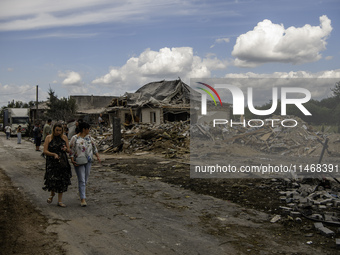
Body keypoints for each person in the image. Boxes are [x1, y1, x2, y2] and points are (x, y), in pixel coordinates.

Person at [70, 122, 101, 207]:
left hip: (88, 161)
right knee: (82, 179)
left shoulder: (89, 138)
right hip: (79, 161)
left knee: (85, 179)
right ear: (84, 129)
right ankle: (83, 199)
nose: (89, 130)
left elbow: (94, 148)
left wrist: (97, 156)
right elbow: (71, 149)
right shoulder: (75, 138)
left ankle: (81, 192)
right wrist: (72, 159)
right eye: (88, 129)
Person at [42, 123, 72, 207]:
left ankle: (60, 201)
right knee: (52, 179)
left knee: (61, 180)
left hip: (62, 161)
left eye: (60, 130)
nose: (58, 132)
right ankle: (52, 194)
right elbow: (45, 151)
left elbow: (69, 150)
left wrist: (66, 149)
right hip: (52, 162)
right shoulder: (48, 138)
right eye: (57, 130)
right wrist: (53, 154)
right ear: (53, 130)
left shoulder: (64, 137)